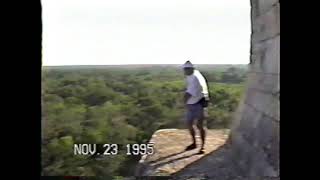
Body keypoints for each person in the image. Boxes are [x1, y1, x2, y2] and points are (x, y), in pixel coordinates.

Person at [182, 60, 209, 154]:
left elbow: (188, 94)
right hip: (192, 104)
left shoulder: (195, 79)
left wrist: (182, 103)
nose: (186, 71)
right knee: (189, 124)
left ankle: (202, 146)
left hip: (198, 104)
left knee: (200, 125)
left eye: (187, 69)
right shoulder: (193, 74)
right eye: (185, 69)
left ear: (192, 69)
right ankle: (194, 143)